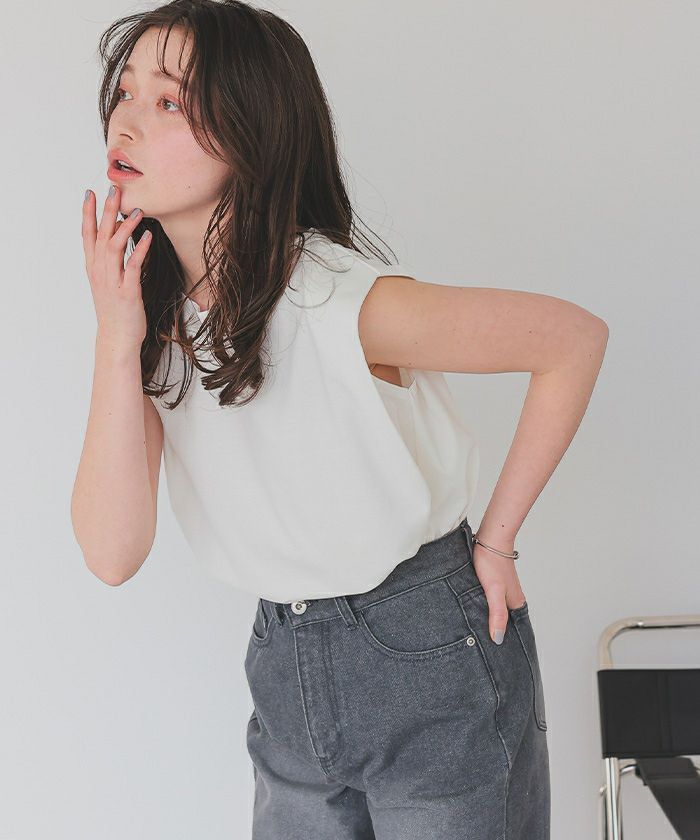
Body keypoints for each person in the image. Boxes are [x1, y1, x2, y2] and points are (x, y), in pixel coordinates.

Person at [71, 2, 609, 837]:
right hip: (283, 663)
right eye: (125, 91)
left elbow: (571, 340)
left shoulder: (332, 299)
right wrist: (117, 335)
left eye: (170, 100)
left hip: (425, 647)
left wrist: (497, 542)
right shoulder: (152, 322)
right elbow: (112, 554)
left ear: (251, 131)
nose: (127, 121)